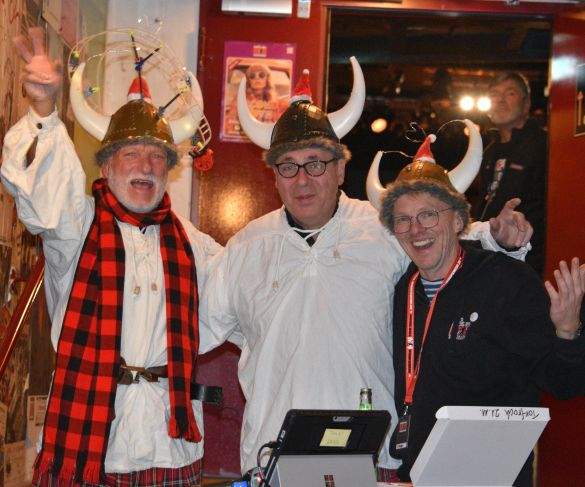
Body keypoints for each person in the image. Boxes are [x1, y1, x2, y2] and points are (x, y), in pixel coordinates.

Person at [200, 60, 533, 480]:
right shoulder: (246, 248)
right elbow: (193, 329)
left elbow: (448, 238)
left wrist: (500, 238)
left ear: (340, 168)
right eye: (288, 165)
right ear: (274, 176)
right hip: (273, 456)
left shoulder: (382, 228)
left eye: (316, 163)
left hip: (367, 454)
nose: (302, 180)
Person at [1, 28, 221, 486]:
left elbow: (247, 295)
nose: (145, 167)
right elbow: (45, 196)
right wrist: (43, 110)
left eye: (157, 157)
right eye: (131, 154)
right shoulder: (77, 227)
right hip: (86, 448)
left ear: (170, 170)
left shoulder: (194, 245)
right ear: (105, 166)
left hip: (169, 447)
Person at [375, 137, 585, 486]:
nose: (416, 230)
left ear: (459, 220)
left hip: (492, 477)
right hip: (420, 476)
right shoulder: (403, 290)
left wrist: (567, 331)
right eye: (403, 220)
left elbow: (564, 385)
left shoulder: (506, 281)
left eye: (428, 214)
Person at [473, 71, 547, 277]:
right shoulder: (490, 151)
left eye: (510, 93)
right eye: (495, 94)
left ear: (526, 104)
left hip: (529, 261)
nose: (500, 100)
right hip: (489, 258)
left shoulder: (544, 145)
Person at [224, 63, 288, 137]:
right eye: (252, 76)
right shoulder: (239, 100)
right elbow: (230, 122)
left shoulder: (279, 103)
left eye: (261, 75)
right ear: (249, 81)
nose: (257, 78)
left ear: (267, 78)